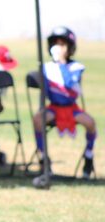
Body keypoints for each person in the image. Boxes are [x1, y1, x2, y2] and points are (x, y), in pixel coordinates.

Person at [33, 26, 97, 179]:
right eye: (56, 44)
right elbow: (45, 90)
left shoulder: (76, 67)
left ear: (70, 47)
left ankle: (88, 156)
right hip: (54, 108)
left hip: (71, 108)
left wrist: (61, 63)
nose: (58, 48)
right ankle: (44, 159)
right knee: (37, 120)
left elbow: (69, 87)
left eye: (62, 45)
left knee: (90, 123)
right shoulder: (47, 68)